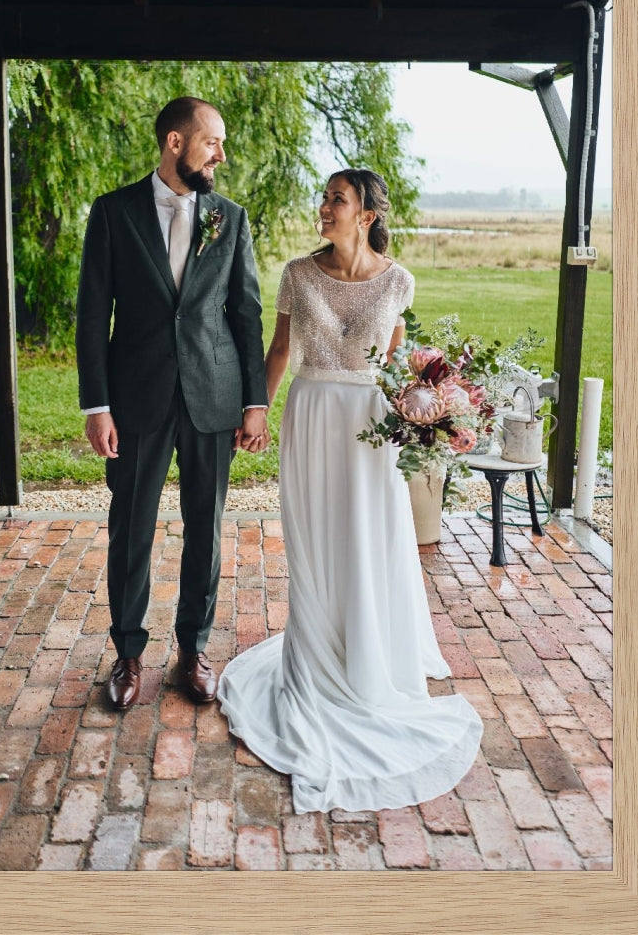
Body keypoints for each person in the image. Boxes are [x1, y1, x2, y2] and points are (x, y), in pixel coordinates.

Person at [218, 169, 483, 813]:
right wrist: (257, 409)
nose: (325, 206)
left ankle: (366, 656)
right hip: (311, 414)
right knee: (313, 539)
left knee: (366, 538)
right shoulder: (296, 274)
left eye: (337, 198)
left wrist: (432, 410)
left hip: (369, 425)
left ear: (365, 215)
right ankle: (314, 658)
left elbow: (395, 365)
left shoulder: (399, 281)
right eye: (325, 197)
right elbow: (280, 349)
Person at [76, 97, 270, 711]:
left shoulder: (230, 218)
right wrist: (97, 406)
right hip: (136, 398)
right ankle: (129, 654)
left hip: (214, 396)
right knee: (131, 528)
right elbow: (92, 314)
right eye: (212, 142)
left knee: (205, 530)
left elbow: (246, 314)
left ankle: (193, 650)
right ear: (175, 142)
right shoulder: (113, 212)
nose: (221, 155)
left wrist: (256, 402)